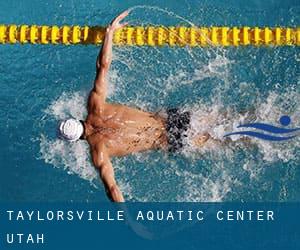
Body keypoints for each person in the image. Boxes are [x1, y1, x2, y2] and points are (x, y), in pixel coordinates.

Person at [58, 11, 210, 202]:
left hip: (171, 140)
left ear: (76, 140)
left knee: (228, 141)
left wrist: (128, 221)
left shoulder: (99, 152)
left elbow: (112, 189)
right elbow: (103, 66)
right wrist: (109, 33)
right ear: (76, 119)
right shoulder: (95, 105)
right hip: (172, 118)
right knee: (226, 118)